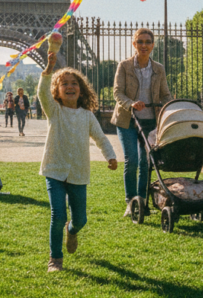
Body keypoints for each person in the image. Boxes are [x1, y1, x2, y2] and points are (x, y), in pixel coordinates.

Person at [38, 52, 118, 272]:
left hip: (79, 173)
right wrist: (48, 70)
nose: (70, 87)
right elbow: (41, 93)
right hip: (54, 170)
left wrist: (110, 156)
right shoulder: (54, 111)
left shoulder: (87, 116)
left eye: (74, 83)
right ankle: (55, 259)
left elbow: (101, 138)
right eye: (64, 84)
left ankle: (71, 231)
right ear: (57, 91)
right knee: (58, 214)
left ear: (81, 90)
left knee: (80, 219)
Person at [112, 27, 172, 217]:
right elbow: (117, 92)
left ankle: (142, 200)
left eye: (147, 42)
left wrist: (171, 107)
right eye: (140, 42)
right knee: (132, 161)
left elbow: (165, 94)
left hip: (150, 122)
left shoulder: (159, 69)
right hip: (128, 120)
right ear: (134, 44)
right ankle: (130, 202)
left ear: (153, 45)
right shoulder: (125, 66)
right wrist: (131, 103)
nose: (144, 45)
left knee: (146, 163)